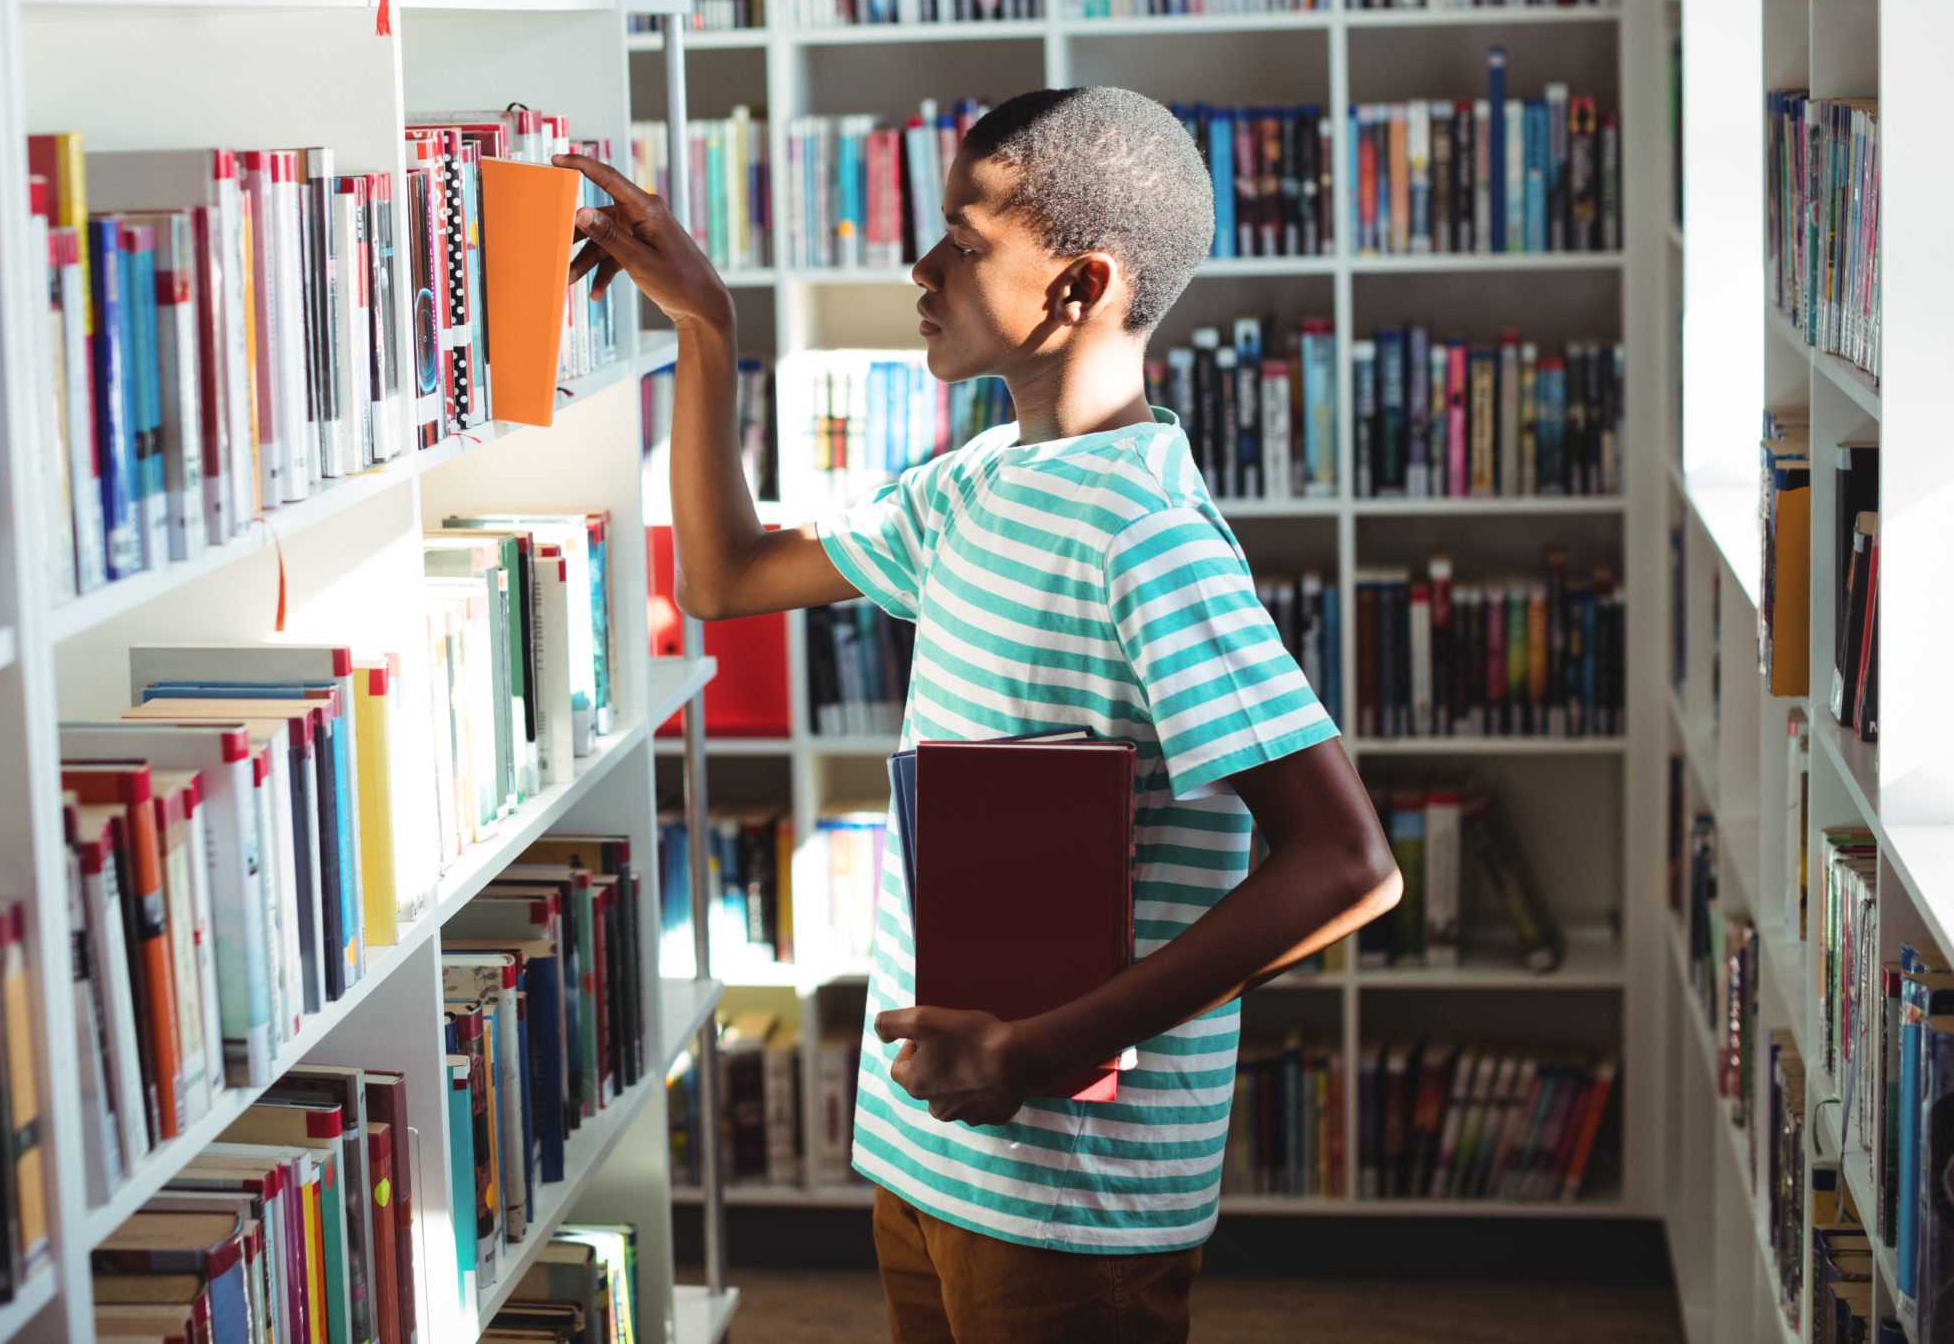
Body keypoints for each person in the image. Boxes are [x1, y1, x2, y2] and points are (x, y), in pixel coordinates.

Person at [554, 85, 1399, 1344]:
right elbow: (725, 579)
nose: (923, 263)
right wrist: (705, 327)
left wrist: (1037, 1051)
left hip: (1069, 1193)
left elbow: (1346, 867)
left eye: (964, 236)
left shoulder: (1148, 538)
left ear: (1078, 285)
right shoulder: (980, 482)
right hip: (930, 1154)